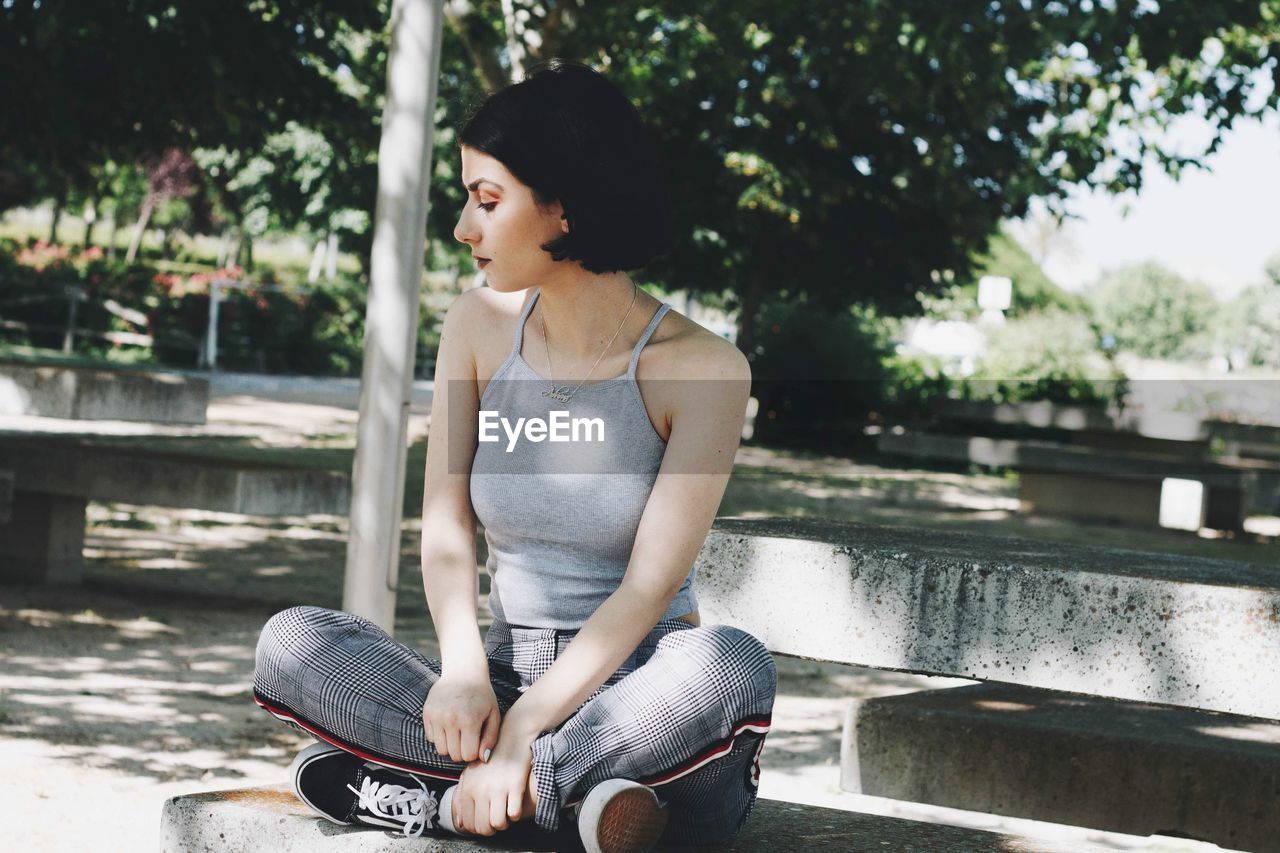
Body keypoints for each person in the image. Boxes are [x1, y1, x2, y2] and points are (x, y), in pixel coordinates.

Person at [252, 59, 777, 852]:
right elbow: (444, 524)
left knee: (729, 664)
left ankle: (463, 795)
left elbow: (649, 587)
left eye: (487, 201)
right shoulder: (476, 325)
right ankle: (569, 809)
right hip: (498, 680)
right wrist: (463, 669)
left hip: (642, 705)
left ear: (564, 210)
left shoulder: (703, 368)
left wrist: (525, 734)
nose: (465, 227)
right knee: (293, 640)